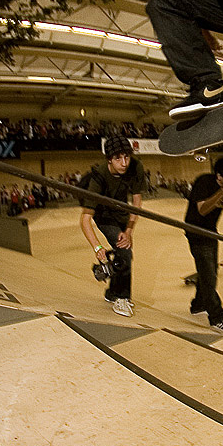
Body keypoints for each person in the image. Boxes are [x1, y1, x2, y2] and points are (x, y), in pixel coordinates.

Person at [79, 135, 145, 317]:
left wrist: (129, 230)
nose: (124, 163)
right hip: (104, 216)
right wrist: (97, 247)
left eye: (127, 157)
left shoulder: (135, 167)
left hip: (123, 214)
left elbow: (137, 202)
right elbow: (85, 219)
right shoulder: (98, 177)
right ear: (109, 159)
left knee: (122, 250)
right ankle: (122, 298)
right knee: (125, 250)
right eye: (118, 158)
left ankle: (112, 292)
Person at [184, 156, 223, 332]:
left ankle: (198, 304)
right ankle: (216, 317)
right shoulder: (204, 182)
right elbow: (202, 209)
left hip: (210, 232)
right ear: (219, 176)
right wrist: (221, 194)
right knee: (209, 274)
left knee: (210, 271)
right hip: (195, 231)